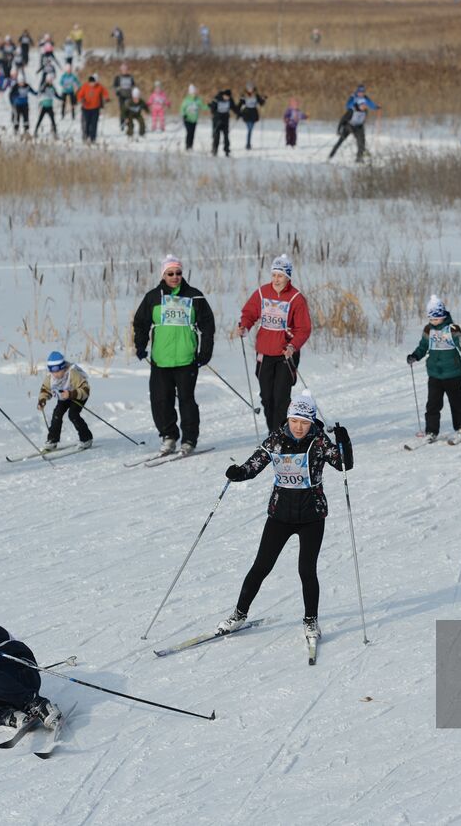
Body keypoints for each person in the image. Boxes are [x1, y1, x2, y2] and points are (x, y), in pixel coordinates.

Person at [215, 391, 352, 647]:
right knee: (261, 567)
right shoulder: (275, 441)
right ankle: (239, 615)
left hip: (312, 516)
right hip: (279, 515)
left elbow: (344, 464)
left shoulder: (319, 442)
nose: (299, 427)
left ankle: (311, 620)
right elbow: (252, 467)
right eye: (294, 421)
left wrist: (344, 441)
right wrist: (237, 473)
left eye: (304, 422)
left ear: (311, 422)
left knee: (306, 570)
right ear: (288, 419)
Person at [133, 255, 215, 455]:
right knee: (161, 400)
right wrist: (140, 345)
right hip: (161, 360)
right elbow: (141, 323)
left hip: (187, 359)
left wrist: (205, 352)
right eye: (170, 273)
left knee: (187, 400)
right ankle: (168, 436)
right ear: (163, 274)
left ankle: (189, 440)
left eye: (178, 273)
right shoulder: (153, 297)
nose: (175, 276)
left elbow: (208, 325)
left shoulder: (195, 296)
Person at [236, 255, 311, 432]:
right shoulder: (262, 293)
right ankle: (273, 433)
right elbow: (249, 313)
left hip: (286, 353)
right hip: (264, 353)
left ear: (288, 277)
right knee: (267, 397)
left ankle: (281, 434)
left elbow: (304, 328)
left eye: (281, 275)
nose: (276, 279)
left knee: (281, 397)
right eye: (274, 275)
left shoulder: (296, 298)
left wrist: (293, 346)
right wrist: (244, 327)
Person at [405, 295, 461, 442]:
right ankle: (431, 431)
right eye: (431, 319)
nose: (433, 321)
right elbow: (423, 347)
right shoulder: (428, 330)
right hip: (435, 374)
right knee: (433, 405)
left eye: (436, 318)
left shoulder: (452, 328)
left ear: (443, 315)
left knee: (456, 402)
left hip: (453, 373)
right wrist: (415, 356)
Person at [38, 351, 93, 451]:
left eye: (58, 371)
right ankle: (52, 440)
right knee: (57, 414)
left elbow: (85, 390)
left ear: (63, 367)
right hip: (64, 397)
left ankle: (86, 438)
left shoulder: (72, 373)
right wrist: (42, 400)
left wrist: (72, 394)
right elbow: (45, 389)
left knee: (73, 415)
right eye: (53, 371)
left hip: (78, 396)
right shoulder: (51, 377)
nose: (56, 374)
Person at [329, 97, 371, 162]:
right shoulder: (351, 111)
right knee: (340, 141)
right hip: (348, 126)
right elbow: (342, 120)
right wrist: (339, 129)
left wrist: (361, 131)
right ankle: (331, 155)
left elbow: (362, 121)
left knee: (361, 141)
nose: (365, 106)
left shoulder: (365, 111)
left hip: (358, 127)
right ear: (359, 104)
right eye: (363, 105)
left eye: (365, 105)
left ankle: (359, 158)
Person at [76, 73, 109, 144]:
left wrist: (106, 98)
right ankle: (85, 137)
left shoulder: (99, 87)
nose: (92, 83)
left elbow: (105, 92)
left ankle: (92, 138)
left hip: (95, 109)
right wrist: (81, 99)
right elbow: (79, 95)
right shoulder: (85, 86)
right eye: (91, 82)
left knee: (94, 124)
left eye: (93, 82)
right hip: (86, 108)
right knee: (86, 124)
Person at [209, 87, 238, 156]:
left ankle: (227, 150)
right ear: (223, 95)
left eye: (228, 97)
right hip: (217, 120)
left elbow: (234, 108)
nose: (227, 98)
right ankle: (214, 150)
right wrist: (212, 107)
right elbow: (212, 110)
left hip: (225, 120)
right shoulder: (217, 99)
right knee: (216, 136)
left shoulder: (230, 100)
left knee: (226, 136)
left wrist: (239, 114)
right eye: (226, 97)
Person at [181, 85, 208, 151]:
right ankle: (187, 146)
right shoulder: (186, 100)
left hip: (194, 120)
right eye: (192, 93)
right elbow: (182, 109)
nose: (194, 94)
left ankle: (191, 146)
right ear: (190, 93)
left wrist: (210, 106)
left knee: (192, 133)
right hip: (187, 119)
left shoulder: (198, 100)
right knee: (189, 132)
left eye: (195, 93)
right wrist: (184, 115)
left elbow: (203, 107)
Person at [239, 83, 266, 150]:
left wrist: (264, 99)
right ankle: (248, 144)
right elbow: (240, 104)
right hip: (246, 113)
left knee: (250, 129)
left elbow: (261, 103)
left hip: (253, 113)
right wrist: (239, 113)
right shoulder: (244, 96)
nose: (250, 89)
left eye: (251, 88)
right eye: (248, 88)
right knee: (249, 129)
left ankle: (248, 143)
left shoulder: (256, 96)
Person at [113, 63, 137, 130]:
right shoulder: (118, 77)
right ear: (121, 70)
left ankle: (129, 123)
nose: (125, 70)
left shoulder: (130, 77)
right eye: (123, 69)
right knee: (122, 110)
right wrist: (117, 91)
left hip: (129, 96)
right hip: (122, 96)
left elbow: (134, 85)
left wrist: (135, 93)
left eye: (126, 69)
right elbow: (114, 86)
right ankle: (122, 123)